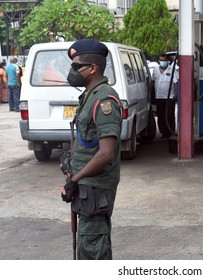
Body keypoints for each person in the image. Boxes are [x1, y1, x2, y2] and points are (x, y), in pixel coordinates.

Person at [60, 39, 122, 260]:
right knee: (88, 243)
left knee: (92, 245)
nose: (72, 70)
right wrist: (70, 161)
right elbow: (88, 141)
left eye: (77, 66)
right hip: (87, 185)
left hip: (95, 187)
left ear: (93, 68)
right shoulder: (89, 95)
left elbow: (106, 153)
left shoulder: (104, 100)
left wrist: (75, 179)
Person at [151, 53, 178, 139]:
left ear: (167, 61)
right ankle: (163, 133)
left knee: (169, 116)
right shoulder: (155, 70)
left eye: (164, 60)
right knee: (161, 116)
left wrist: (175, 95)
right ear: (158, 61)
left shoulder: (172, 70)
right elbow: (152, 82)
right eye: (161, 60)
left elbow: (175, 83)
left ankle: (170, 133)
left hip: (169, 97)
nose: (162, 62)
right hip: (159, 97)